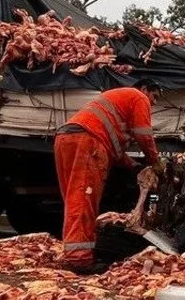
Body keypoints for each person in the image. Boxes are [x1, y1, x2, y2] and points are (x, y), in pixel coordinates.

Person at [53, 79, 165, 272]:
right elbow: (144, 136)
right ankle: (79, 260)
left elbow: (116, 152)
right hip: (88, 142)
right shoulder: (138, 96)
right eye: (154, 96)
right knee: (82, 200)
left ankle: (76, 254)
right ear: (145, 89)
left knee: (74, 199)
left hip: (67, 138)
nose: (153, 102)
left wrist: (134, 166)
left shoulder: (119, 102)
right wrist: (155, 163)